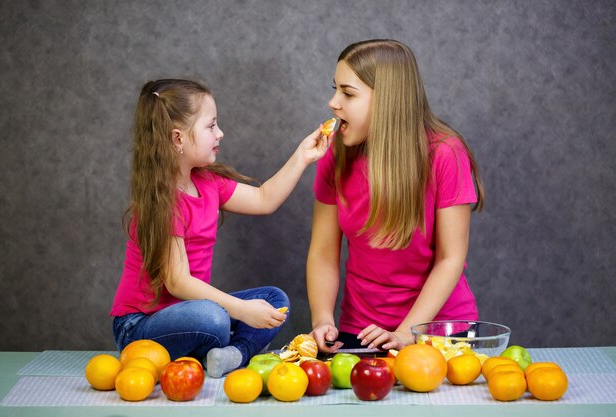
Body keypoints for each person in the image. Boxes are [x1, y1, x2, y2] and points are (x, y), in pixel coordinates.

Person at [110, 79, 331, 378]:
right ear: (178, 138)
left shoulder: (208, 182)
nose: (220, 133)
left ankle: (230, 355)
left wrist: (303, 156)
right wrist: (240, 309)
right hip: (139, 326)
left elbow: (264, 199)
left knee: (275, 300)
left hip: (195, 313)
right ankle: (219, 344)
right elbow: (177, 282)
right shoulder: (162, 201)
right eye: (211, 126)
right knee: (212, 317)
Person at [307, 39, 485, 354]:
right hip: (360, 332)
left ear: (388, 100)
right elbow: (323, 253)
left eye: (347, 93)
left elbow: (450, 258)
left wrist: (405, 334)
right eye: (335, 89)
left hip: (440, 331)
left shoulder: (446, 154)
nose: (333, 103)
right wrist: (322, 319)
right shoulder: (336, 154)